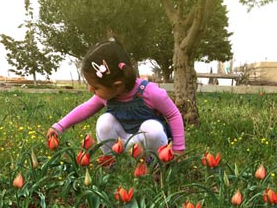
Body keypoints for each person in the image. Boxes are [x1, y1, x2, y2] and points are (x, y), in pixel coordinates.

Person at [47, 39, 185, 157]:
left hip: (147, 143)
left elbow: (173, 115)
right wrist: (60, 126)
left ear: (117, 85)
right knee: (104, 121)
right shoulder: (108, 95)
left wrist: (178, 148)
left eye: (95, 87)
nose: (90, 90)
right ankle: (111, 159)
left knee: (152, 128)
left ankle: (154, 162)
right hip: (122, 141)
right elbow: (85, 108)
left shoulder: (151, 93)